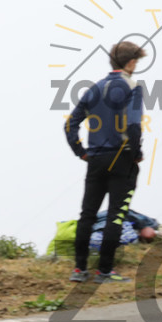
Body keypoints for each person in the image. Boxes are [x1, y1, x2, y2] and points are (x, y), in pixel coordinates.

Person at [66, 41, 146, 284]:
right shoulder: (132, 87)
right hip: (122, 159)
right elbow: (133, 126)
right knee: (116, 215)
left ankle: (79, 270)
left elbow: (70, 125)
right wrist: (136, 153)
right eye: (136, 61)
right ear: (130, 62)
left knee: (87, 214)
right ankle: (104, 272)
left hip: (96, 159)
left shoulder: (94, 88)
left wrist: (81, 152)